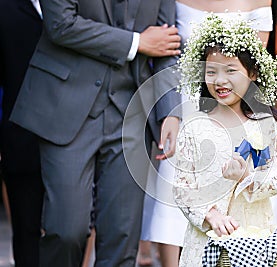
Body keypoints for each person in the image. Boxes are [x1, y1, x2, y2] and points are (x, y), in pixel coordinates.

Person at [9, 0, 182, 266]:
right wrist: (135, 43)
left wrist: (170, 109)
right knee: (66, 230)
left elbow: (166, 42)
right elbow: (61, 24)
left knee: (121, 237)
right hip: (65, 105)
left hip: (130, 111)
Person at [139, 1, 275, 266]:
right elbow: (168, 53)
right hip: (185, 100)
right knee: (174, 188)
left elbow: (254, 59)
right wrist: (171, 113)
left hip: (233, 101)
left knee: (232, 180)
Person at [172, 15, 277, 266]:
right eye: (211, 72)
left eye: (231, 70)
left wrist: (247, 176)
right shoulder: (194, 127)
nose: (220, 81)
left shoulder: (265, 125)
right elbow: (183, 189)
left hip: (257, 239)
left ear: (253, 73)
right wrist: (210, 216)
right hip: (206, 242)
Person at [0, 0, 44, 266]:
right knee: (26, 231)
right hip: (20, 136)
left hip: (77, 135)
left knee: (71, 230)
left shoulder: (83, 7)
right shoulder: (5, 7)